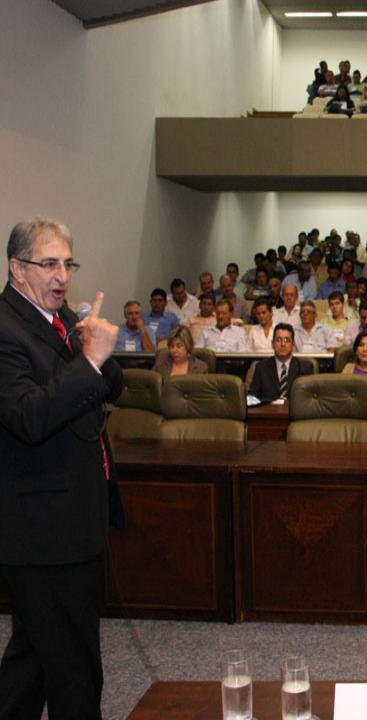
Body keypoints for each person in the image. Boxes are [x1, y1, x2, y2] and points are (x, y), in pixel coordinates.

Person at [0, 216, 122, 719]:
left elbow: (111, 387)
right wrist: (88, 362)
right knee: (74, 668)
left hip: (72, 517)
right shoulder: (6, 329)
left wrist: (98, 353)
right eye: (49, 264)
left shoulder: (58, 317)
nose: (62, 276)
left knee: (33, 657)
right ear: (17, 268)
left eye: (68, 264)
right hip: (43, 530)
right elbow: (28, 417)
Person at [248, 323, 314, 403]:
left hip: (296, 410)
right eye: (278, 340)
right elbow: (252, 398)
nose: (283, 344)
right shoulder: (261, 367)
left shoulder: (305, 367)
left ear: (293, 345)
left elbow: (309, 399)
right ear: (272, 344)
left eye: (287, 340)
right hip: (269, 410)